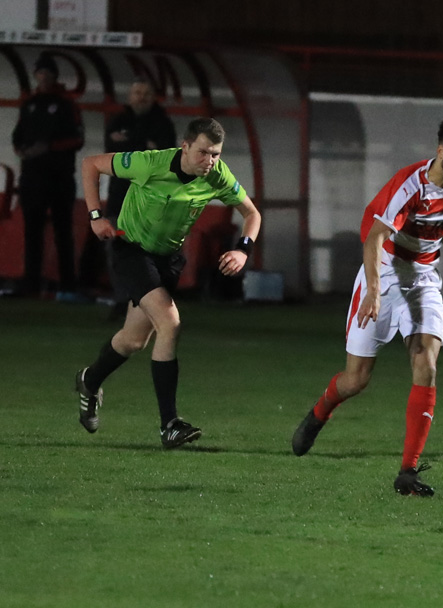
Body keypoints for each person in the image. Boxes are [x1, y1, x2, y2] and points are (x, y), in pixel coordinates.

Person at [291, 115, 443, 496]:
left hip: (422, 280)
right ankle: (320, 412)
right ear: (441, 152)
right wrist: (373, 290)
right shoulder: (410, 187)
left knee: (426, 361)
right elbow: (374, 238)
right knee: (356, 380)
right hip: (384, 274)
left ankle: (407, 472)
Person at [74, 117, 261, 449]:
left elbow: (252, 214)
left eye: (216, 154)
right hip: (131, 251)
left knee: (133, 341)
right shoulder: (150, 163)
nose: (211, 161)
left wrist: (243, 250)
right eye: (204, 152)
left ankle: (89, 380)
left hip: (167, 260)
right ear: (186, 147)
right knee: (170, 323)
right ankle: (169, 425)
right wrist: (95, 215)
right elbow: (90, 164)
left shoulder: (218, 175)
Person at [11, 51, 84, 299]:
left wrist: (49, 148)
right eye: (40, 73)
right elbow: (17, 135)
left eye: (47, 73)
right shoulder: (29, 104)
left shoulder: (67, 104)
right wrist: (21, 150)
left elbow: (77, 139)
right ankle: (31, 283)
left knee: (63, 231)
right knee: (32, 230)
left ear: (54, 76)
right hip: (32, 177)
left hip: (59, 177)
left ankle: (67, 284)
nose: (43, 78)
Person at [102, 79, 177, 318]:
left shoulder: (163, 123)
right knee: (117, 248)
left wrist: (131, 144)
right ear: (129, 96)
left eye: (146, 93)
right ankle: (122, 300)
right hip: (120, 199)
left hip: (150, 202)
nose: (141, 97)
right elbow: (113, 152)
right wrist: (143, 145)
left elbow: (162, 158)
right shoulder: (117, 120)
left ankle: (146, 303)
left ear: (154, 97)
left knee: (148, 253)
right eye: (137, 92)